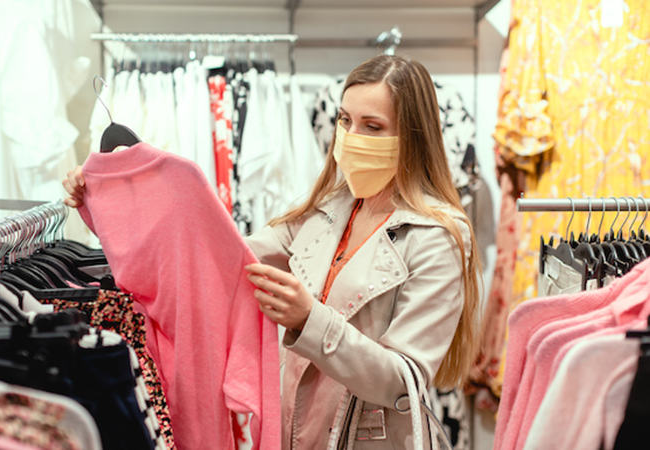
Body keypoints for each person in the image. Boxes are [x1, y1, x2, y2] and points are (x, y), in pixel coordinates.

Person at [64, 55, 481, 449]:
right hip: (293, 433)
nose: (351, 138)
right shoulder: (327, 212)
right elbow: (219, 256)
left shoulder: (437, 236)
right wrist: (113, 201)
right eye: (345, 120)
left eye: (372, 126)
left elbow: (402, 380)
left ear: (411, 136)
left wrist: (310, 320)